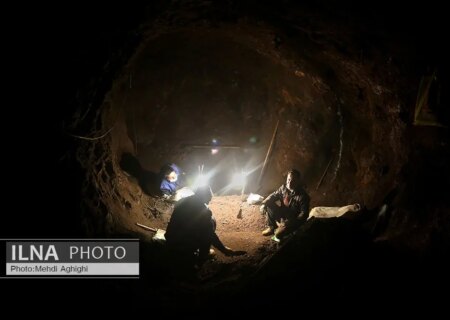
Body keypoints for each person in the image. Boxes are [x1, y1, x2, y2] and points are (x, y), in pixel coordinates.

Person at [165, 186, 242, 270]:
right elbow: (210, 235)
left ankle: (183, 252)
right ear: (203, 196)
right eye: (209, 197)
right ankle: (201, 260)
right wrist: (224, 250)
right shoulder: (204, 211)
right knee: (209, 228)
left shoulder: (182, 201)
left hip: (170, 238)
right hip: (184, 244)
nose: (209, 200)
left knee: (204, 226)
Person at [260, 169, 310, 239]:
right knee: (269, 204)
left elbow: (304, 214)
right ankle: (272, 227)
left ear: (298, 181)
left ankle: (285, 230)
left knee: (278, 235)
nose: (290, 183)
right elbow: (274, 195)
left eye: (293, 180)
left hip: (293, 219)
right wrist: (264, 203)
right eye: (288, 180)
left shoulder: (303, 196)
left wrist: (291, 223)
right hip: (283, 213)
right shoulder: (283, 188)